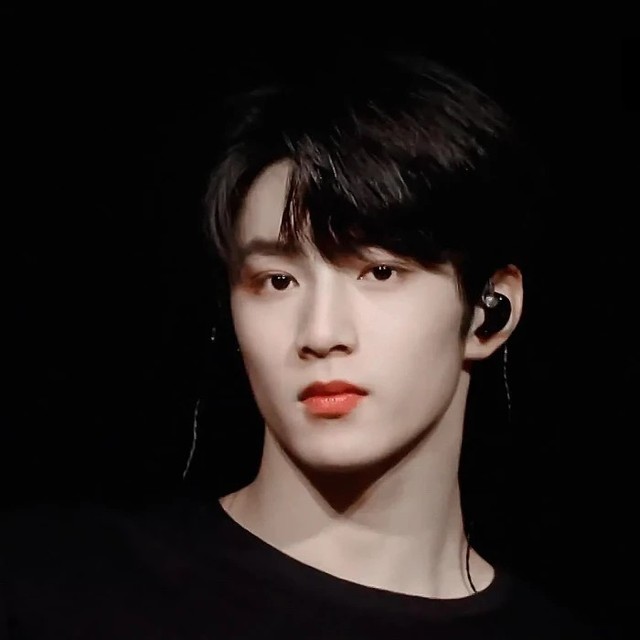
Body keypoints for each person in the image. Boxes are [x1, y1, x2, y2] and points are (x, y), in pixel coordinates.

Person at [1, 49, 601, 638]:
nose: (320, 334)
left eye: (380, 272)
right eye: (277, 281)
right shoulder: (52, 587)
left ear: (490, 311)